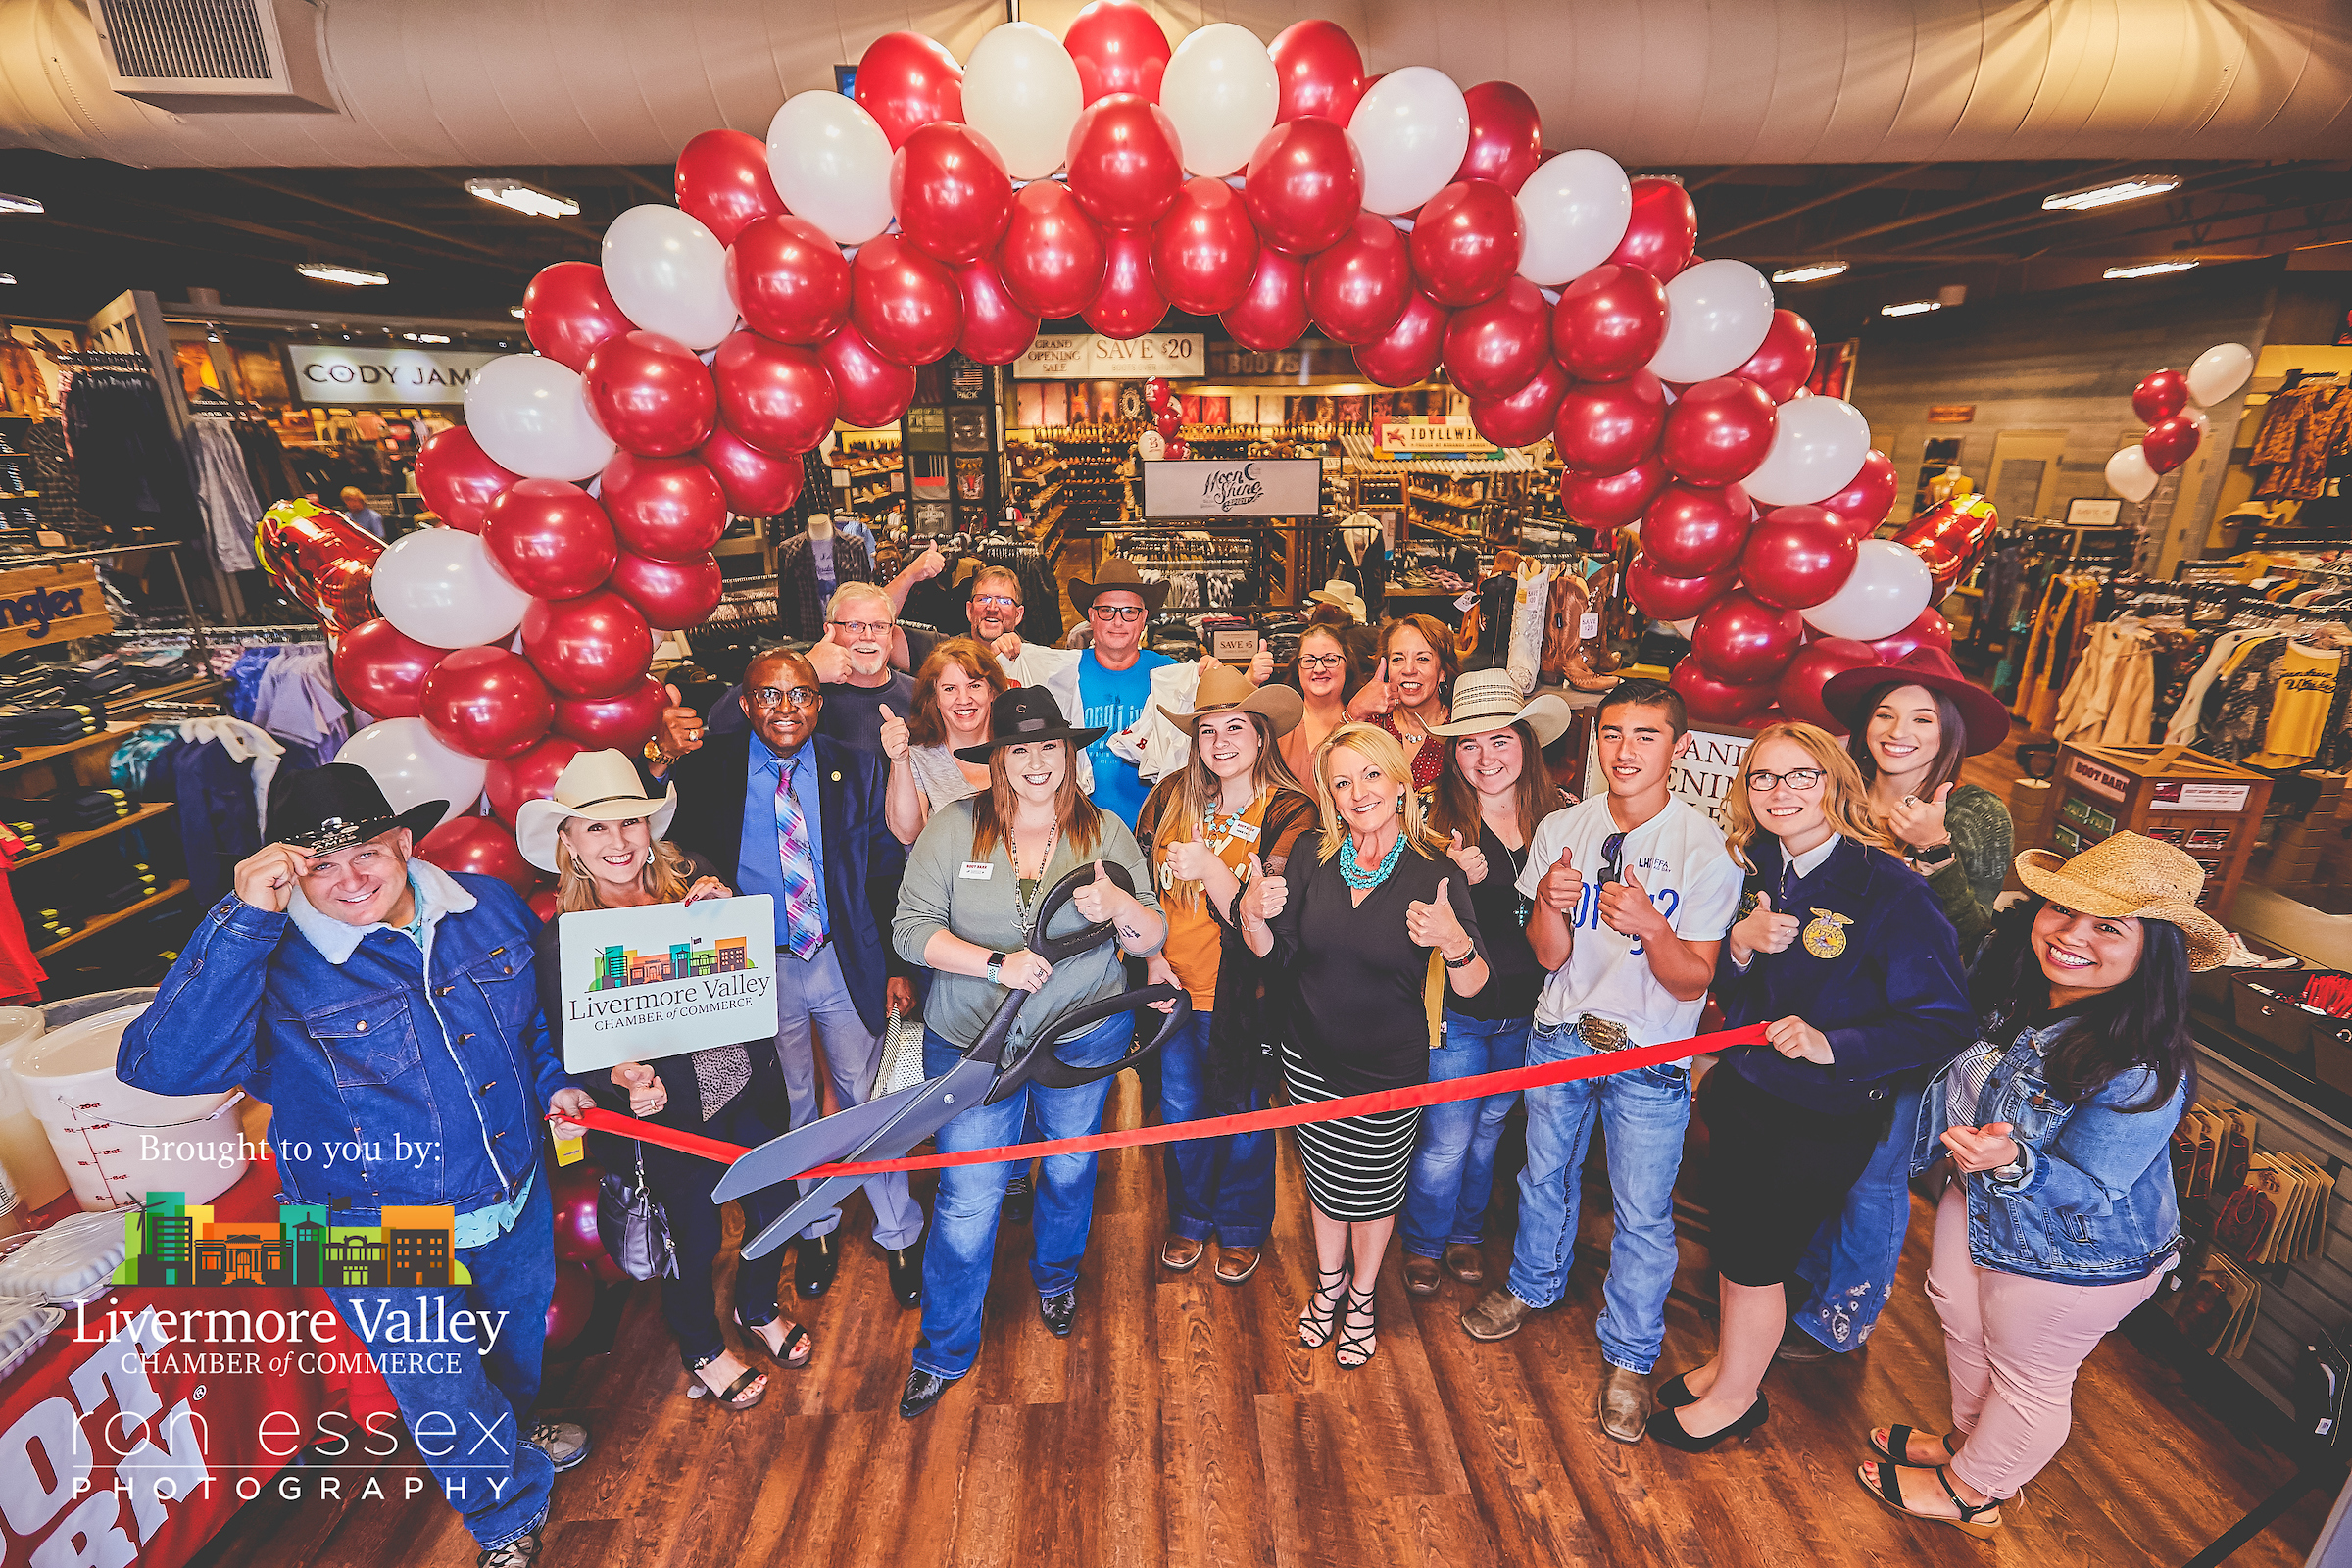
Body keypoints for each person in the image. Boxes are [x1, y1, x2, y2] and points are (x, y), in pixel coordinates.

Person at [117, 764, 590, 1568]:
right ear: (287, 871)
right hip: (365, 1223)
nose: (347, 881)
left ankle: (507, 1435)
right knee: (437, 1383)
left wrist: (557, 1084)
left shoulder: (490, 908)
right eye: (317, 865)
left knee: (510, 1344)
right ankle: (502, 1513)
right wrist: (240, 920)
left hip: (507, 1188)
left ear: (403, 841)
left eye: (364, 853)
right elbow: (161, 1065)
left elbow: (538, 1028)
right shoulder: (271, 960)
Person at [1858, 834, 2222, 1538]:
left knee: (2030, 1374)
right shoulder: (2025, 996)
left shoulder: (2142, 1062)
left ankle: (1976, 1489)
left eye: (2108, 927)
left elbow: (2096, 1187)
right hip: (1984, 1207)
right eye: (2062, 909)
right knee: (1962, 1323)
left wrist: (2013, 1160)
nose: (2071, 935)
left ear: (2156, 952)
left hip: (2075, 1251)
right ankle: (1971, 1445)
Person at [1649, 722, 1972, 1452]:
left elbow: (1947, 1019)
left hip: (1819, 1118)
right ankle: (1731, 1364)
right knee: (1736, 1247)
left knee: (1760, 1260)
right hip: (1746, 1093)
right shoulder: (1763, 865)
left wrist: (1837, 1046)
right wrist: (1738, 946)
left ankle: (1737, 1398)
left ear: (1834, 784)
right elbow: (1735, 989)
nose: (1780, 793)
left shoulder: (1889, 889)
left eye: (1800, 777)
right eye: (1764, 778)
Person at [1456, 679, 1743, 1446]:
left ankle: (1629, 1354)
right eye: (1612, 734)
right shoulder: (1564, 828)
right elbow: (1548, 957)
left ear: (1678, 749)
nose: (1625, 751)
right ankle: (1531, 1286)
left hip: (1651, 1054)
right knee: (1541, 1174)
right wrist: (1548, 902)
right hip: (1560, 1033)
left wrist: (1652, 926)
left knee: (1643, 1211)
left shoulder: (1706, 850)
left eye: (1645, 736)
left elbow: (1694, 978)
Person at [892, 685, 1168, 1418]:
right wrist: (994, 964)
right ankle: (944, 1350)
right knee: (967, 1200)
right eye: (1022, 749)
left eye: (1051, 747)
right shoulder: (953, 828)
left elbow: (1150, 939)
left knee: (1071, 1165)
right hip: (973, 1045)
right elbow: (910, 931)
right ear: (999, 758)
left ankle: (1055, 1278)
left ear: (1070, 754)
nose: (1038, 762)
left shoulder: (1104, 831)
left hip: (1082, 1035)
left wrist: (1124, 910)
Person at [517, 751, 811, 1413]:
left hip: (742, 1085)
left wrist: (731, 912)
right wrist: (619, 1080)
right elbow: (576, 1049)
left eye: (630, 823)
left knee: (775, 1205)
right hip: (661, 1117)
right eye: (595, 829)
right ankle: (703, 1346)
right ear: (568, 843)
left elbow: (746, 982)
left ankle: (759, 1306)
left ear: (650, 829)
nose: (618, 841)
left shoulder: (697, 885)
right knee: (695, 1238)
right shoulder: (564, 941)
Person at [658, 648, 926, 1307]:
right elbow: (670, 846)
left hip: (841, 957)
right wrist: (697, 876)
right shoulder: (707, 771)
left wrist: (896, 965)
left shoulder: (855, 766)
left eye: (801, 695)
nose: (787, 709)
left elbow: (885, 871)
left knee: (868, 1098)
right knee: (792, 1104)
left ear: (820, 702)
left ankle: (898, 1233)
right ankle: (815, 1224)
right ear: (745, 706)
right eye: (770, 697)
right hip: (755, 967)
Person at [1784, 644, 2020, 1362]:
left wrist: (1937, 852)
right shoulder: (1837, 797)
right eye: (1886, 713)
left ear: (1949, 732)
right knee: (1818, 1155)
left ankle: (1843, 1318)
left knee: (1874, 1173)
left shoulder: (1975, 813)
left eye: (1922, 717)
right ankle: (1804, 1280)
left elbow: (1979, 947)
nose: (1900, 729)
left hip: (1911, 1030)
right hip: (1822, 1016)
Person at [1241, 723, 1488, 1369]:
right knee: (1326, 1187)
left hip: (1387, 1069)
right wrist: (1250, 916)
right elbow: (1278, 958)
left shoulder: (1435, 873)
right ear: (1328, 792)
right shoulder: (1310, 858)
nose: (1359, 792)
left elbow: (1476, 987)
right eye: (1343, 780)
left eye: (1372, 775)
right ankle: (1327, 1291)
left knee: (1373, 1195)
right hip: (1309, 1058)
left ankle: (1361, 1298)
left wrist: (1451, 940)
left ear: (1401, 783)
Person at [1138, 665, 1317, 1286]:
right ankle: (1189, 1217)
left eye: (1234, 727)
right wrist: (1151, 957)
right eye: (1207, 730)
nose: (1219, 742)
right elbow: (1137, 886)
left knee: (1242, 1111)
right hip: (1170, 988)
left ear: (1262, 736)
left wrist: (1214, 866)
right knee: (1180, 1108)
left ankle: (1241, 1226)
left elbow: (1275, 911)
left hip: (1245, 994)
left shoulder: (1291, 810)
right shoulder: (1167, 798)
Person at [1402, 670, 1570, 1299]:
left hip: (1537, 1010)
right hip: (1459, 1008)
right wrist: (1451, 877)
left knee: (1493, 1129)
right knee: (1447, 1137)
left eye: (1499, 740)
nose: (1485, 757)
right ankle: (1424, 1241)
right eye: (1469, 745)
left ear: (1526, 744)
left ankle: (1466, 1233)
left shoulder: (1562, 817)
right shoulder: (1431, 821)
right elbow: (1413, 916)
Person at [879, 636, 1013, 843]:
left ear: (992, 692)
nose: (963, 699)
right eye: (950, 689)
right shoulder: (917, 757)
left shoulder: (1018, 750)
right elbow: (906, 834)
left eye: (974, 686)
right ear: (935, 698)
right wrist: (899, 760)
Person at [811, 580, 916, 755]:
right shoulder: (808, 699)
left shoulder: (920, 695)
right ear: (829, 631)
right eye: (854, 626)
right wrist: (808, 670)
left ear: (892, 634)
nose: (868, 636)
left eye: (879, 626)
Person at [1360, 614, 1457, 794]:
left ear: (1442, 671)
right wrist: (1354, 710)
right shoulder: (1371, 726)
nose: (1409, 670)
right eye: (1398, 659)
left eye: (1422, 659)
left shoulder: (1459, 731)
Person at [1278, 622, 1364, 782]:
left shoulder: (1364, 724)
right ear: (1297, 668)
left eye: (1330, 659)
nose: (1319, 669)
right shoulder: (1278, 726)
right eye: (1309, 660)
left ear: (1347, 665)